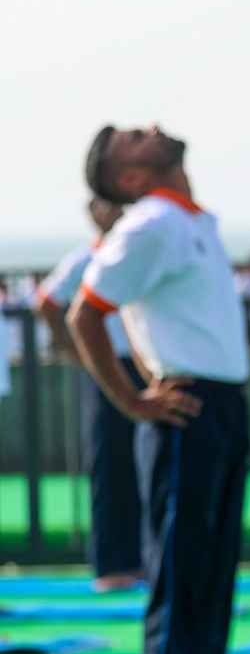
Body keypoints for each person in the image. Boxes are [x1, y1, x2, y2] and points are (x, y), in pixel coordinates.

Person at [68, 124, 250, 654]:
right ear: (129, 178)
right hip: (185, 410)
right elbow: (84, 312)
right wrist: (133, 399)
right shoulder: (149, 222)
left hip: (223, 405)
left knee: (212, 573)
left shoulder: (190, 221)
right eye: (128, 139)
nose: (146, 127)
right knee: (179, 576)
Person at [35, 197, 143, 591]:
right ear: (95, 211)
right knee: (109, 461)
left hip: (141, 365)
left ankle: (140, 560)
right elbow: (46, 303)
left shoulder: (134, 253)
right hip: (105, 365)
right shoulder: (86, 259)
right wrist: (74, 351)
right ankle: (111, 564)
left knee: (143, 462)